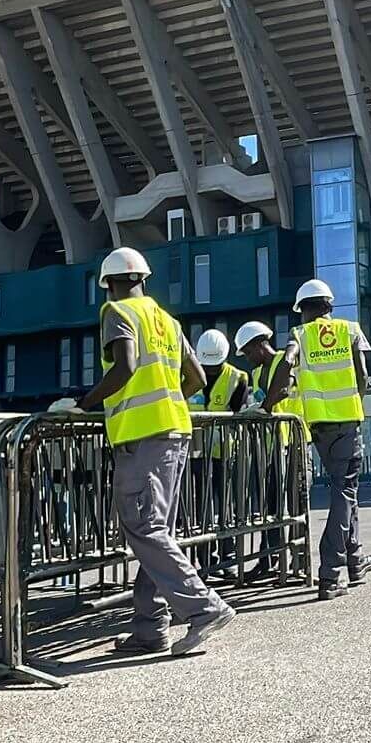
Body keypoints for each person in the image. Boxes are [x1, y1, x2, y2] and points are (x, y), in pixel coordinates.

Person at [77, 247, 236, 657]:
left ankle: (204, 609)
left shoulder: (117, 312)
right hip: (175, 432)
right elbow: (197, 377)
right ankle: (150, 628)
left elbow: (125, 366)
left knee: (145, 530)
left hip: (143, 437)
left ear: (108, 284)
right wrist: (169, 403)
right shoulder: (167, 319)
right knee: (155, 532)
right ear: (144, 279)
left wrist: (84, 405)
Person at [263, 279, 371, 601]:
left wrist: (266, 405)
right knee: (345, 490)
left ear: (303, 311)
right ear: (329, 305)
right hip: (347, 423)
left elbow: (286, 364)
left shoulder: (299, 336)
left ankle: (355, 561)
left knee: (344, 490)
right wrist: (356, 402)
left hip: (317, 428)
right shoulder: (351, 330)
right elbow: (363, 377)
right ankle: (329, 574)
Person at [233, 320, 291, 583]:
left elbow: (283, 391)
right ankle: (268, 559)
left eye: (247, 352)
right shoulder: (256, 374)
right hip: (265, 447)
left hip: (289, 443)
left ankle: (293, 559)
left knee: (290, 505)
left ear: (259, 345)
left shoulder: (284, 361)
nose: (248, 359)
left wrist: (265, 408)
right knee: (269, 506)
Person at [190, 329, 251, 579]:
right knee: (197, 511)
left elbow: (238, 415)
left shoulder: (238, 377)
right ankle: (204, 561)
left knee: (225, 509)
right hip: (193, 455)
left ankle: (225, 560)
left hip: (225, 454)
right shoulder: (188, 373)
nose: (211, 371)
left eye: (214, 366)